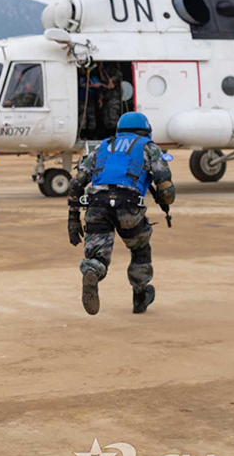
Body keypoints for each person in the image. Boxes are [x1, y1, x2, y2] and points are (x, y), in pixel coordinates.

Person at [68, 111, 174, 315]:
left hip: (96, 203)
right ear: (146, 131)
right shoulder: (149, 148)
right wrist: (165, 201)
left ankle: (92, 270)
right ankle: (140, 295)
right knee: (140, 248)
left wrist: (73, 219)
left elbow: (76, 183)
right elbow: (166, 189)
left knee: (98, 254)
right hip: (129, 205)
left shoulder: (103, 146)